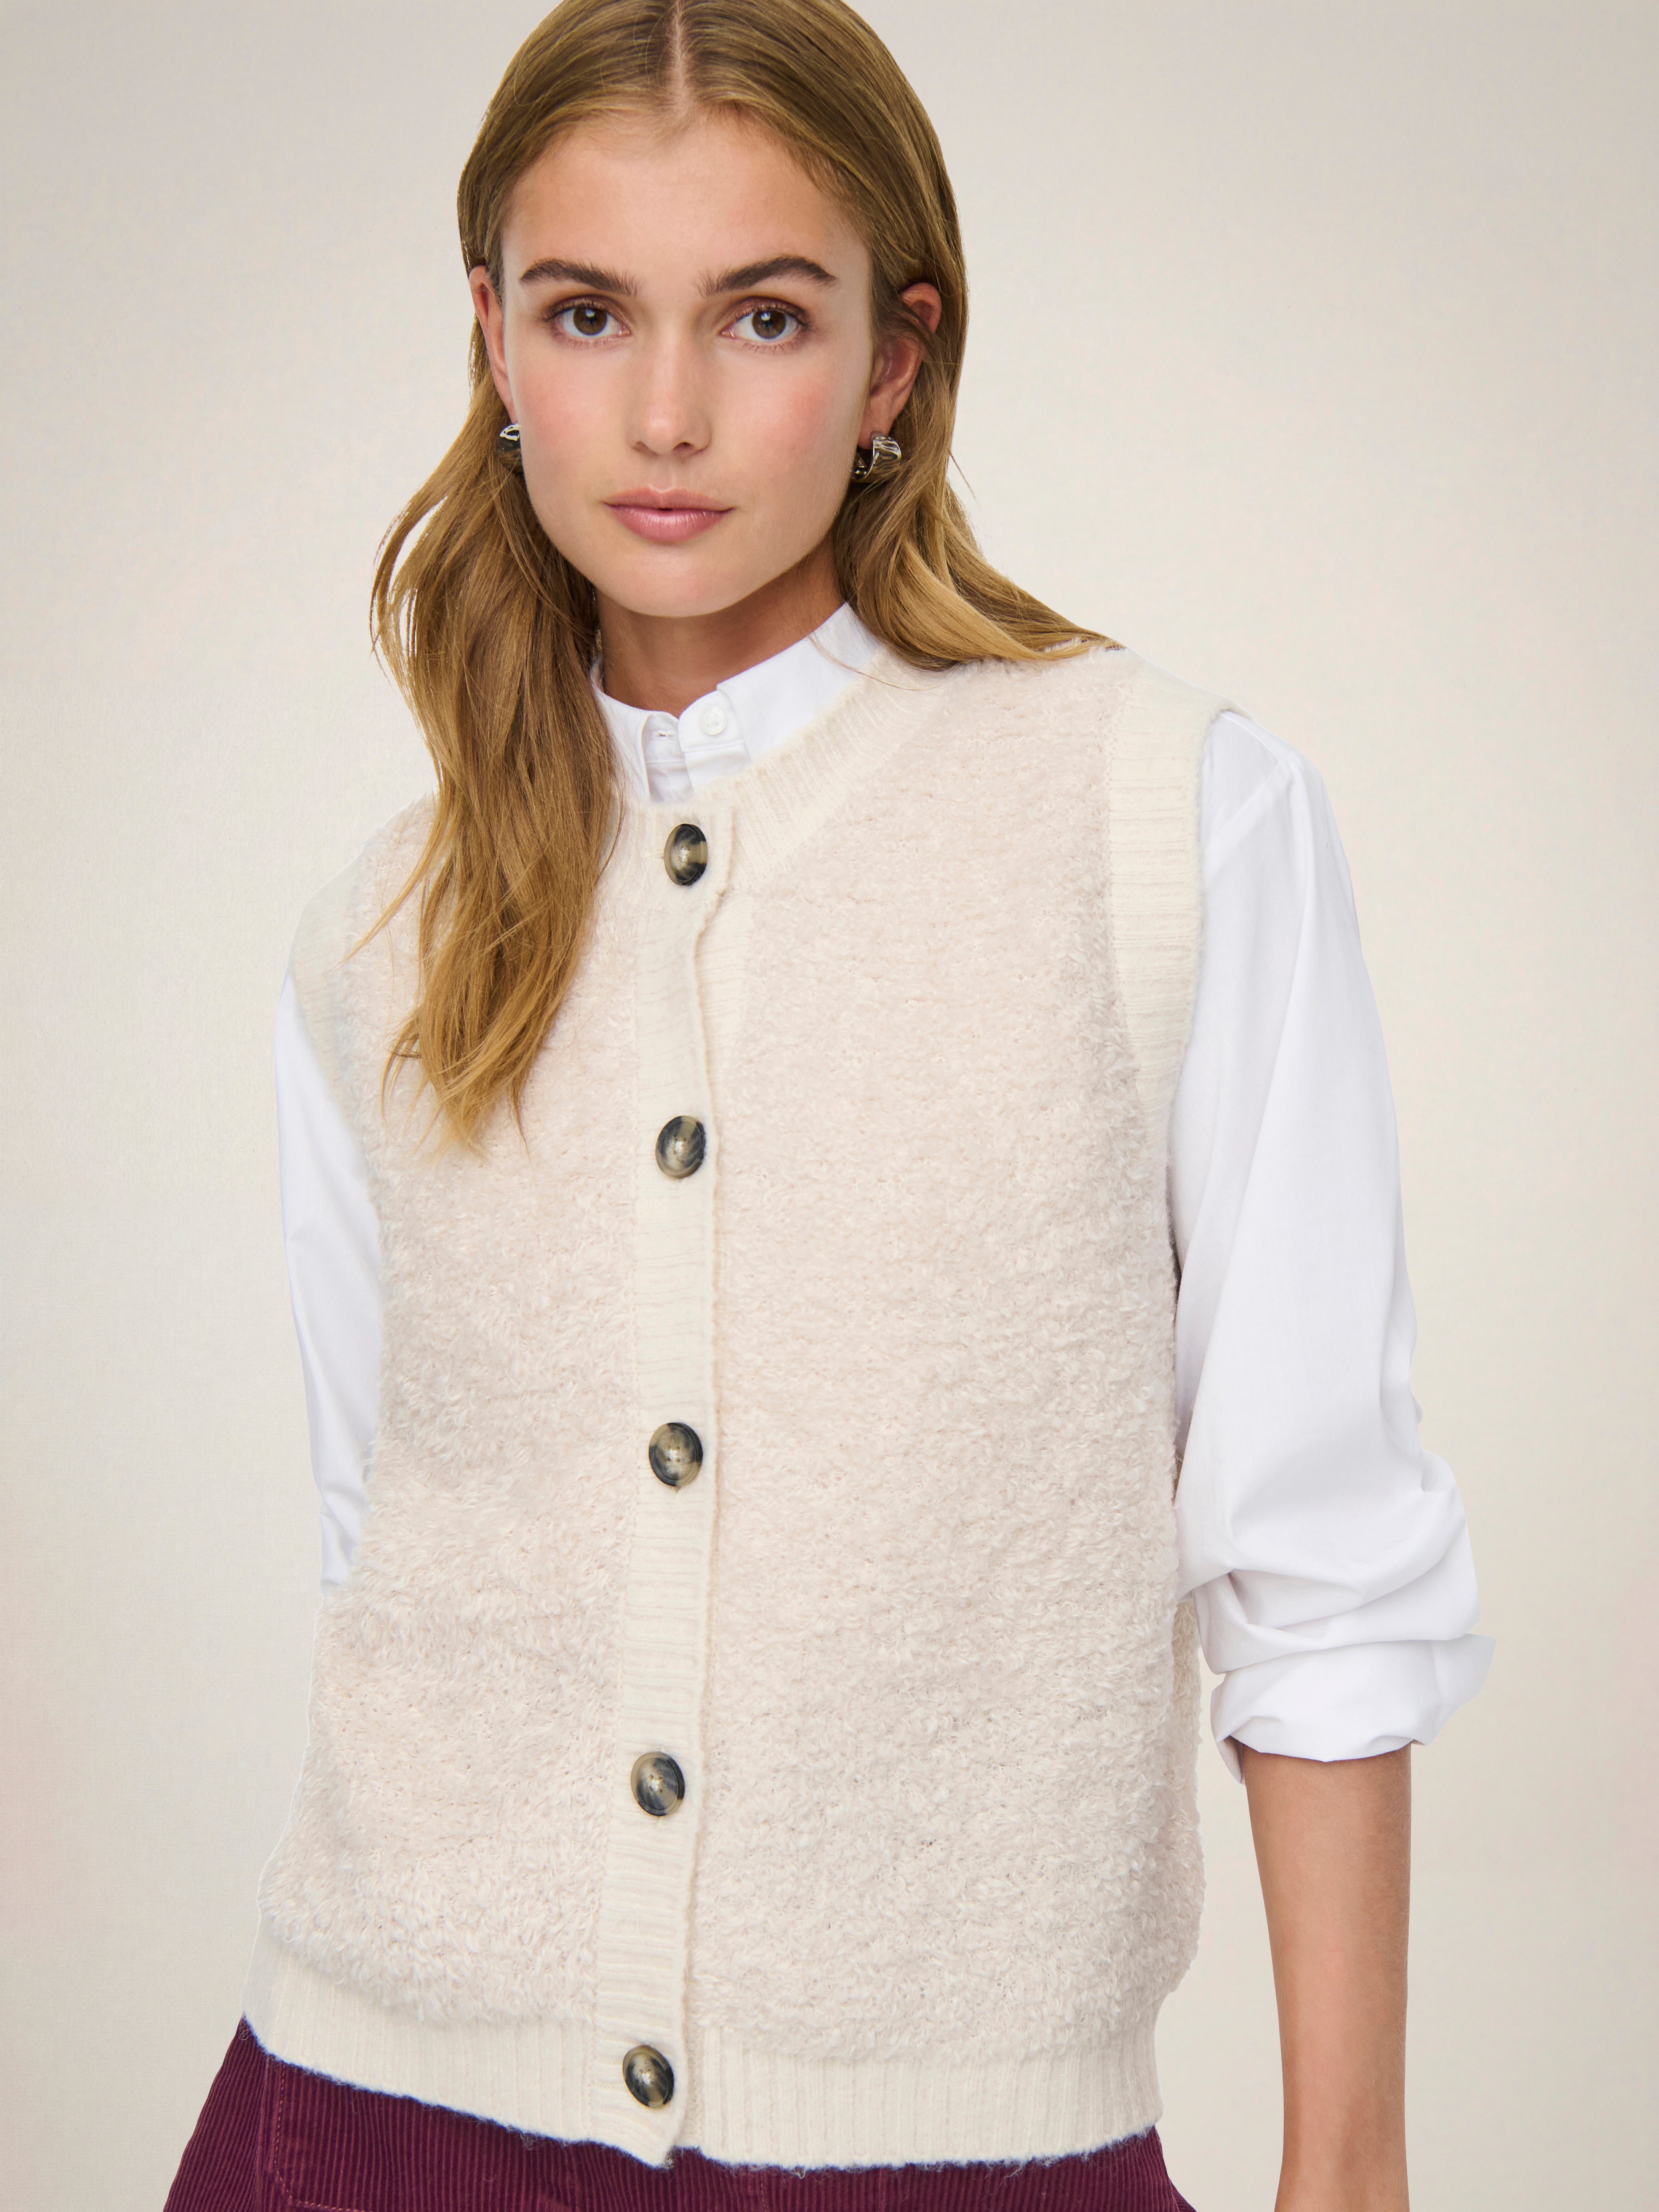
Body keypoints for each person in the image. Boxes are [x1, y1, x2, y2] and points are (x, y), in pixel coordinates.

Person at [165, 2, 1492, 2206]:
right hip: (361, 2117)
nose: (666, 414)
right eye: (588, 313)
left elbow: (1318, 1570)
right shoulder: (377, 935)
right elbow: (382, 1540)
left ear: (895, 359)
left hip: (952, 2152)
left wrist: (1345, 2172)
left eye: (764, 316)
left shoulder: (1162, 824)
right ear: (493, 338)